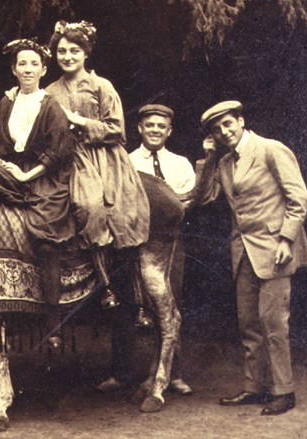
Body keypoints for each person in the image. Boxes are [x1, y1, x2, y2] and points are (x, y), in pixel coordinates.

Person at [197, 100, 307, 416]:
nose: (224, 132)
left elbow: (298, 198)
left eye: (228, 124)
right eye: (217, 129)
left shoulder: (270, 149)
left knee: (273, 323)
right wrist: (208, 157)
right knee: (249, 324)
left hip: (276, 249)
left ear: (241, 121)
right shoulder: (223, 163)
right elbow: (204, 196)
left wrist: (287, 239)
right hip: (243, 252)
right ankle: (255, 387)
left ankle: (283, 392)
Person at [0, 38, 75, 351]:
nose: (27, 69)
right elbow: (1, 144)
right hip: (16, 172)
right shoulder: (6, 102)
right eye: (21, 64)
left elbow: (60, 151)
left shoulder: (50, 104)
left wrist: (29, 174)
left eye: (33, 64)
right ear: (14, 69)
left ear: (43, 69)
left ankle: (53, 322)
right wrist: (11, 168)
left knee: (45, 239)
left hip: (46, 179)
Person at [45, 21, 150, 315]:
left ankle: (138, 298)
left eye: (74, 51)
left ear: (86, 54)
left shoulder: (102, 86)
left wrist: (79, 122)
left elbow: (117, 129)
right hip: (74, 159)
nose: (67, 56)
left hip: (108, 157)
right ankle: (105, 286)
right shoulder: (50, 91)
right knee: (89, 206)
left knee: (123, 214)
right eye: (62, 51)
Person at [98, 104, 195, 394]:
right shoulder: (125, 162)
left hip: (168, 238)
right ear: (139, 128)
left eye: (160, 126)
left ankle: (172, 374)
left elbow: (185, 202)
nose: (155, 130)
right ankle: (122, 373)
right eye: (149, 125)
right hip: (130, 240)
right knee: (127, 302)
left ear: (169, 131)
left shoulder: (181, 164)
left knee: (168, 300)